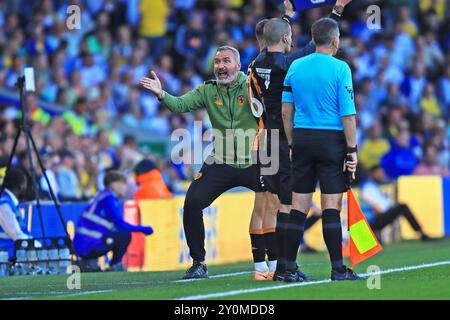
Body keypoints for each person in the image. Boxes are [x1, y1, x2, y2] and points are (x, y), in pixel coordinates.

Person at [248, 0, 352, 282]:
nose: (293, 40)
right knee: (286, 205)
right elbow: (317, 47)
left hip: (263, 139)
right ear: (284, 38)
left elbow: (276, 37)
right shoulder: (289, 64)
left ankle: (274, 265)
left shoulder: (255, 63)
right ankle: (284, 267)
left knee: (269, 204)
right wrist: (337, 10)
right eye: (290, 36)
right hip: (284, 140)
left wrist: (287, 16)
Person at [140, 46, 261, 279]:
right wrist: (161, 94)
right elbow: (181, 105)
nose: (221, 66)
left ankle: (285, 262)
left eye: (226, 61)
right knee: (193, 204)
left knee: (280, 203)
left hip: (256, 160)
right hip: (221, 160)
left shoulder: (253, 86)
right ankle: (198, 263)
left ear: (238, 65)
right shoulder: (208, 89)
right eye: (217, 62)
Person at [282, 18, 362, 281]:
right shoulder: (341, 69)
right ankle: (338, 269)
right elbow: (348, 115)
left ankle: (289, 267)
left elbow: (286, 111)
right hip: (331, 141)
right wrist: (351, 149)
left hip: (303, 138)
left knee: (299, 205)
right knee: (331, 207)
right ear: (335, 40)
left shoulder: (295, 66)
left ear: (314, 39)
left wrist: (293, 142)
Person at [73, 170, 154, 272]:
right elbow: (120, 224)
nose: (125, 187)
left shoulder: (101, 196)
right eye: (123, 184)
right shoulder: (108, 199)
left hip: (84, 245)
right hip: (89, 246)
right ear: (114, 185)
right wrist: (142, 229)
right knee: (124, 234)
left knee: (118, 234)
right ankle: (115, 266)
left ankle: (93, 264)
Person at [361, 165, 433, 241]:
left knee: (401, 207)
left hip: (378, 217)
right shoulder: (368, 187)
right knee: (402, 207)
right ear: (373, 174)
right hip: (372, 221)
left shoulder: (373, 186)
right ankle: (421, 233)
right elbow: (374, 206)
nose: (381, 175)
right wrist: (386, 212)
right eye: (379, 173)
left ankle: (421, 233)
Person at [0, 168, 31, 260]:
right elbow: (15, 233)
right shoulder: (4, 204)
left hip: (13, 251)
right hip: (7, 254)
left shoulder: (11, 202)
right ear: (20, 186)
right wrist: (33, 245)